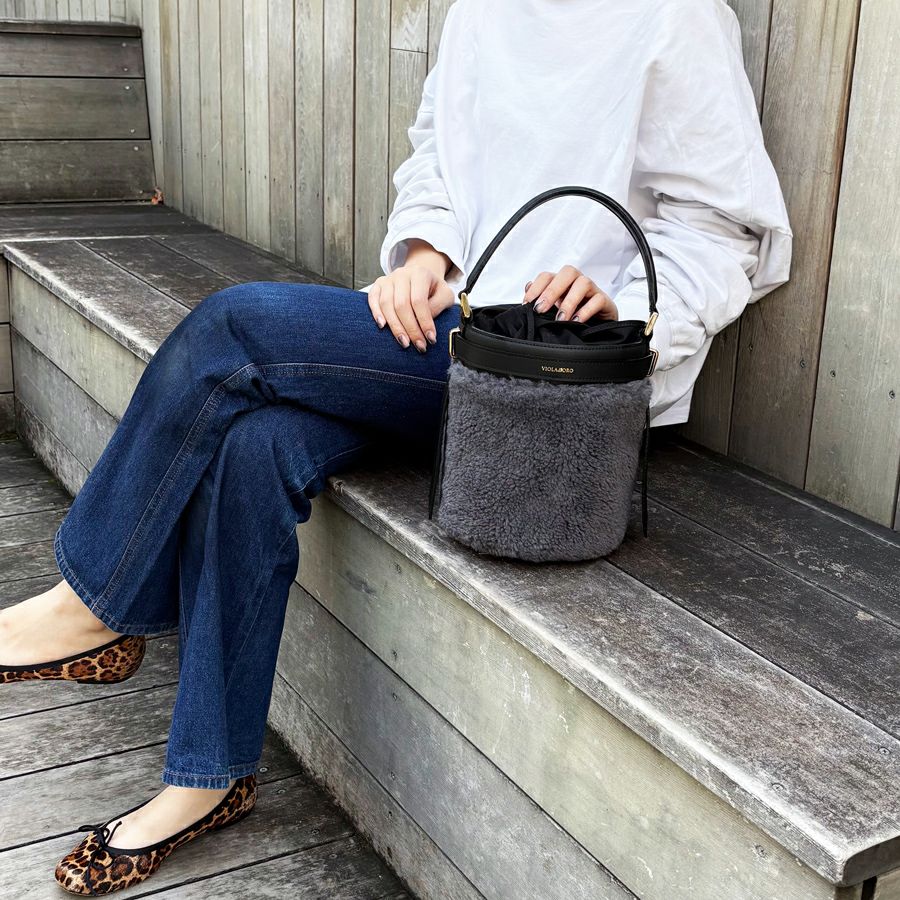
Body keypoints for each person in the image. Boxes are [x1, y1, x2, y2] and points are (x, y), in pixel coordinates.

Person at [0, 0, 791, 893]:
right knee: (255, 441)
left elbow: (727, 230)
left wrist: (626, 310)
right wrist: (421, 258)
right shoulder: (482, 11)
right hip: (446, 337)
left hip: (557, 384)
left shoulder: (675, 16)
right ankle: (208, 777)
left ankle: (95, 601)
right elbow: (435, 161)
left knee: (233, 326)